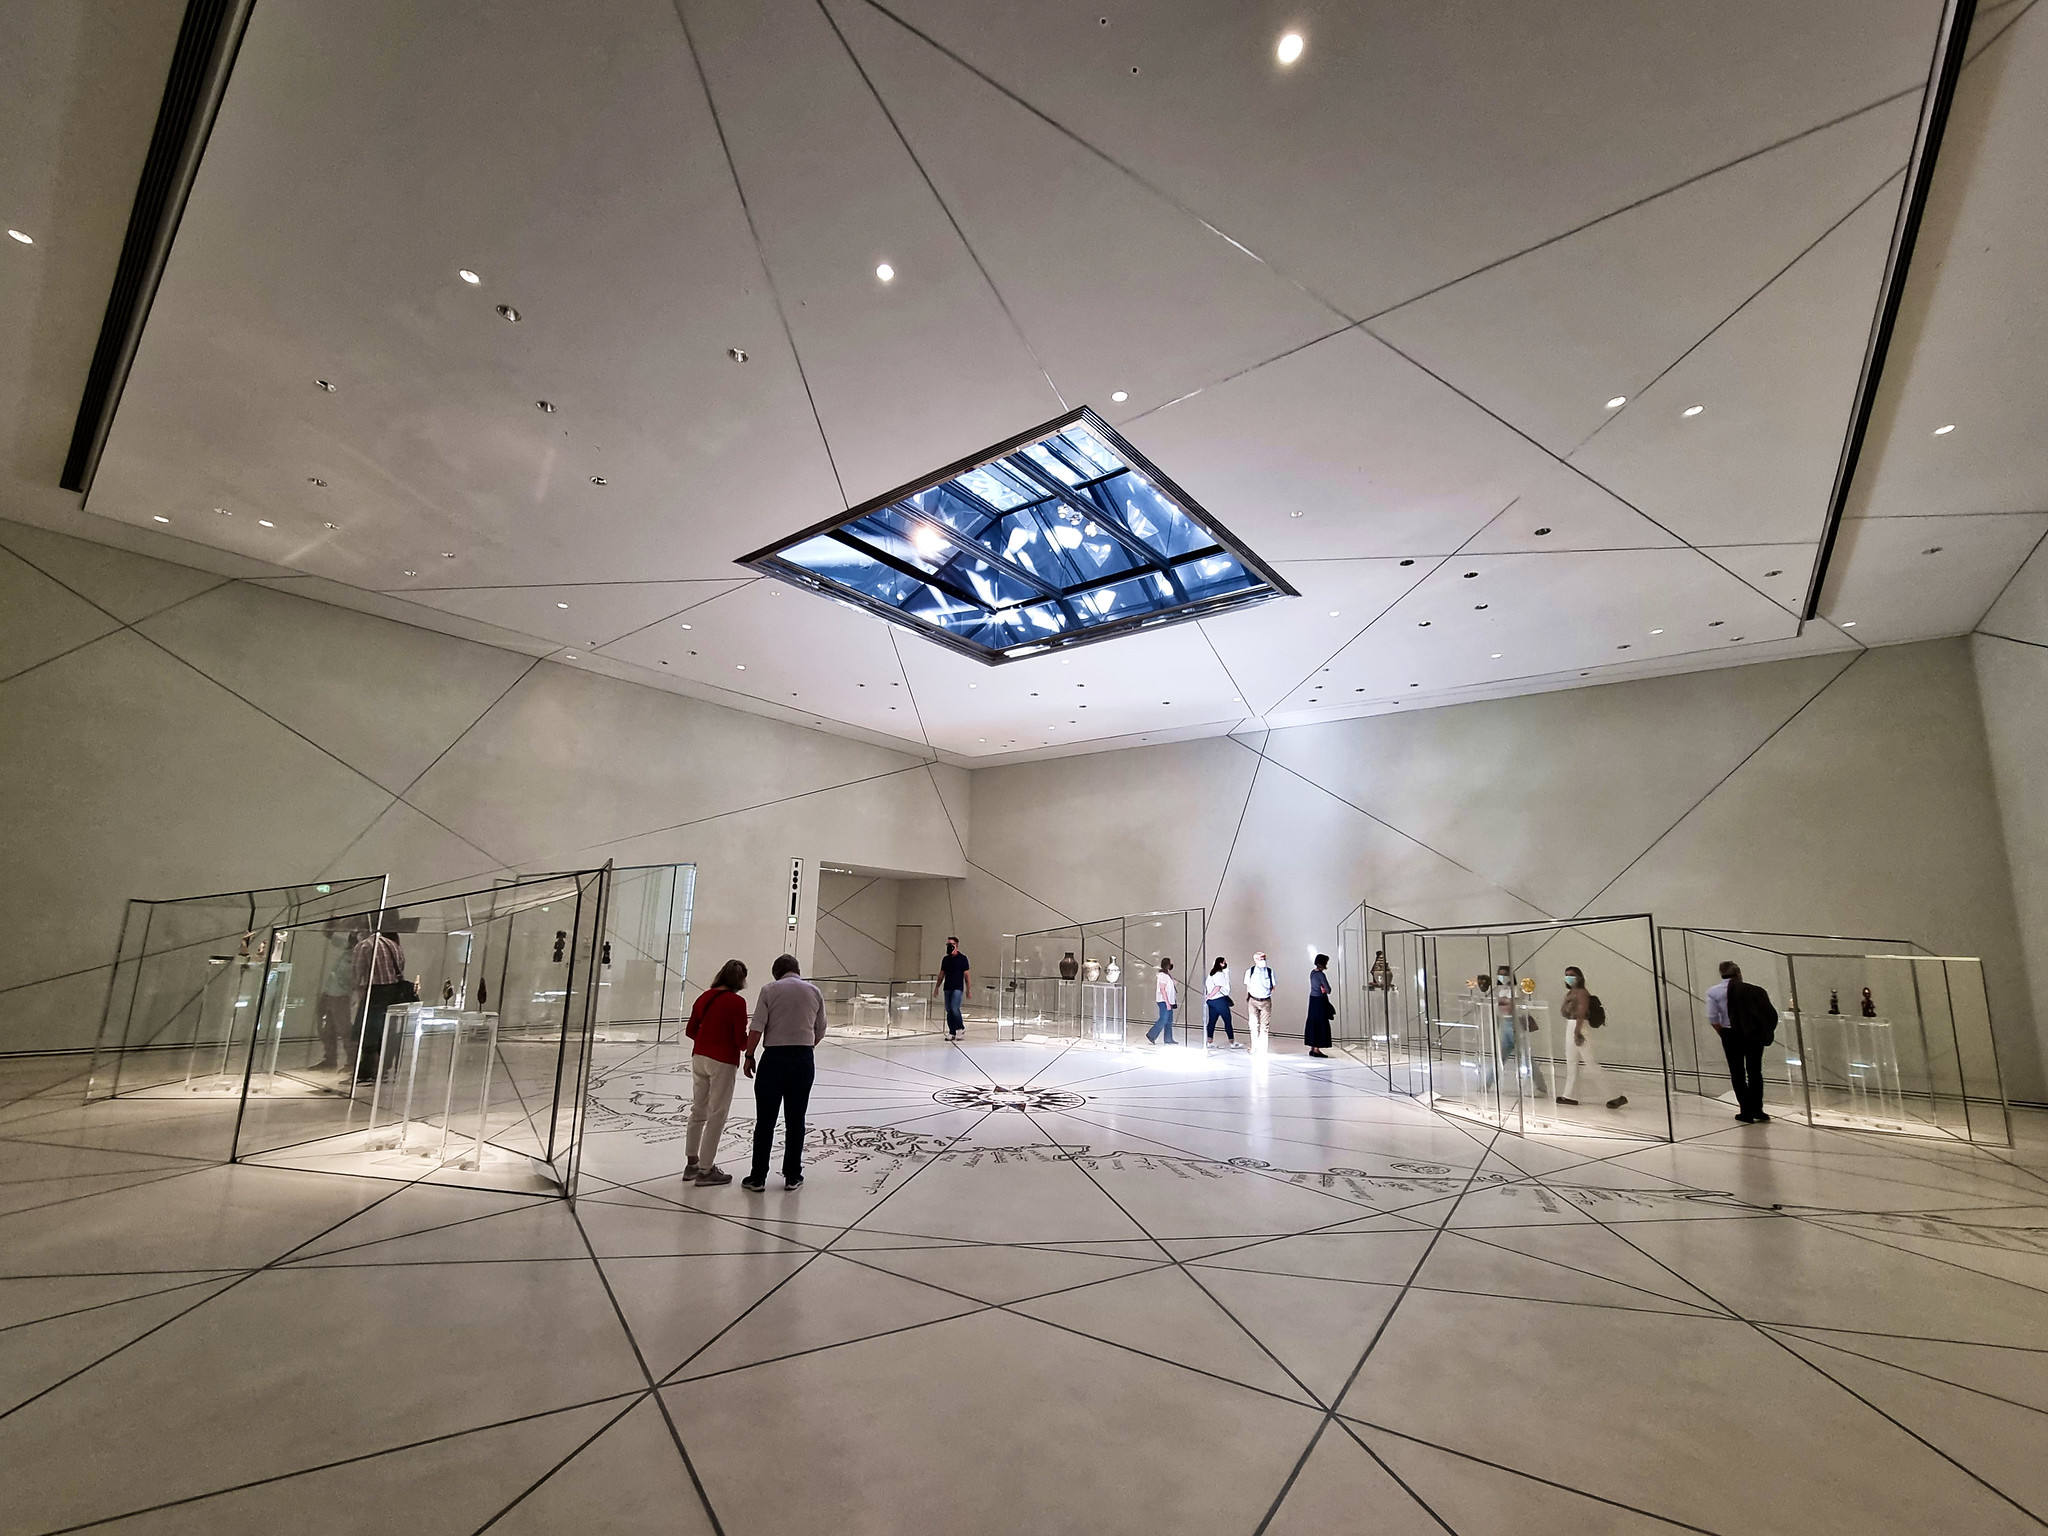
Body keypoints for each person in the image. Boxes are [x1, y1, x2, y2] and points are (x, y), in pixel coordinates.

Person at [742, 954, 827, 1192]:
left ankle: (757, 1177)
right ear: (797, 970)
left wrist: (749, 1056)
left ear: (776, 973)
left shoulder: (769, 990)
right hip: (802, 1060)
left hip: (773, 1060)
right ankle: (792, 1175)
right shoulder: (814, 992)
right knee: (796, 1120)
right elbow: (820, 1030)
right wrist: (805, 1048)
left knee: (765, 1121)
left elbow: (757, 1026)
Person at [683, 959, 749, 1186]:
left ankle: (692, 1162)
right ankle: (706, 1169)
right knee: (717, 1114)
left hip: (699, 1056)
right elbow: (741, 1041)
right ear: (740, 980)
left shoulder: (704, 997)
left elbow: (690, 1030)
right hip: (722, 1060)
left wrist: (707, 1039)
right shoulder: (737, 1003)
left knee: (698, 1109)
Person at [1709, 961, 1775, 1123]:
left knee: (1737, 1073)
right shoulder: (1752, 990)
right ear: (1738, 972)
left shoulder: (1714, 992)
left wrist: (1723, 1034)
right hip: (1753, 1034)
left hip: (1730, 1034)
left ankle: (1745, 1110)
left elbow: (1712, 1018)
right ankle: (1758, 1109)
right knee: (1755, 1072)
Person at [1557, 966, 1627, 1110]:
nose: (1569, 978)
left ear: (1579, 977)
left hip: (1580, 1026)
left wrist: (1577, 1032)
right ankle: (1570, 1095)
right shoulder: (1571, 992)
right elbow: (1564, 1011)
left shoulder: (1582, 993)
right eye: (1566, 975)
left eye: (1572, 975)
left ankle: (1614, 1095)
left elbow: (1581, 1012)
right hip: (1570, 1025)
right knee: (1571, 1063)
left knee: (1591, 1063)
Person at [350, 925, 408, 1084]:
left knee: (368, 1032)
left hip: (374, 992)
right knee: (386, 1030)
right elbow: (401, 967)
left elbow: (357, 972)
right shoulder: (393, 945)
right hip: (393, 992)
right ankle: (382, 1069)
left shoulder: (365, 945)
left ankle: (366, 1071)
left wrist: (358, 992)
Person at [935, 937, 970, 1040]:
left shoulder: (962, 958)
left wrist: (969, 989)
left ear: (956, 945)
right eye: (947, 944)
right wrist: (937, 986)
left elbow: (967, 975)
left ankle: (960, 1028)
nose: (949, 946)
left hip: (957, 987)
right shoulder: (945, 959)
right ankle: (952, 1031)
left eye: (951, 944)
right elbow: (941, 974)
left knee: (955, 1008)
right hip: (947, 987)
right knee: (949, 1009)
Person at [1244, 952, 1275, 1050]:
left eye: (1264, 959)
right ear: (1255, 960)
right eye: (1261, 959)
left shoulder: (1269, 971)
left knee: (1264, 1026)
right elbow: (1248, 986)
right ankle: (1254, 1047)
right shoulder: (1250, 972)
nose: (1264, 961)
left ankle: (1262, 1049)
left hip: (1266, 1001)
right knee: (1253, 1025)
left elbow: (1273, 987)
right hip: (1253, 1000)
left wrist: (1266, 992)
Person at [1203, 957, 1236, 1046]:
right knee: (1227, 1020)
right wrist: (1210, 995)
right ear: (1221, 963)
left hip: (1211, 1001)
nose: (1225, 964)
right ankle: (1232, 1042)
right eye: (1224, 962)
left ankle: (1209, 1041)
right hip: (1219, 1000)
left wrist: (1209, 997)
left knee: (1212, 1021)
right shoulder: (1219, 974)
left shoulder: (1211, 974)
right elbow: (1218, 987)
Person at [1305, 954, 1333, 1057]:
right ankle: (1316, 1049)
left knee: (1313, 1023)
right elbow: (1329, 990)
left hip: (1313, 1000)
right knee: (1320, 1024)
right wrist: (1325, 989)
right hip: (1320, 1001)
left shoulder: (1312, 973)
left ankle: (1313, 1047)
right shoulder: (1321, 975)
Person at [1146, 957, 1178, 1044]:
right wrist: (1167, 1002)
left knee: (1169, 1020)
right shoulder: (1163, 976)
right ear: (1168, 965)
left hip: (1169, 1001)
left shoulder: (1167, 975)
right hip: (1164, 1001)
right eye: (1171, 963)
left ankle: (1168, 1038)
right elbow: (1162, 989)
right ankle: (1151, 1034)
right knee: (1163, 1019)